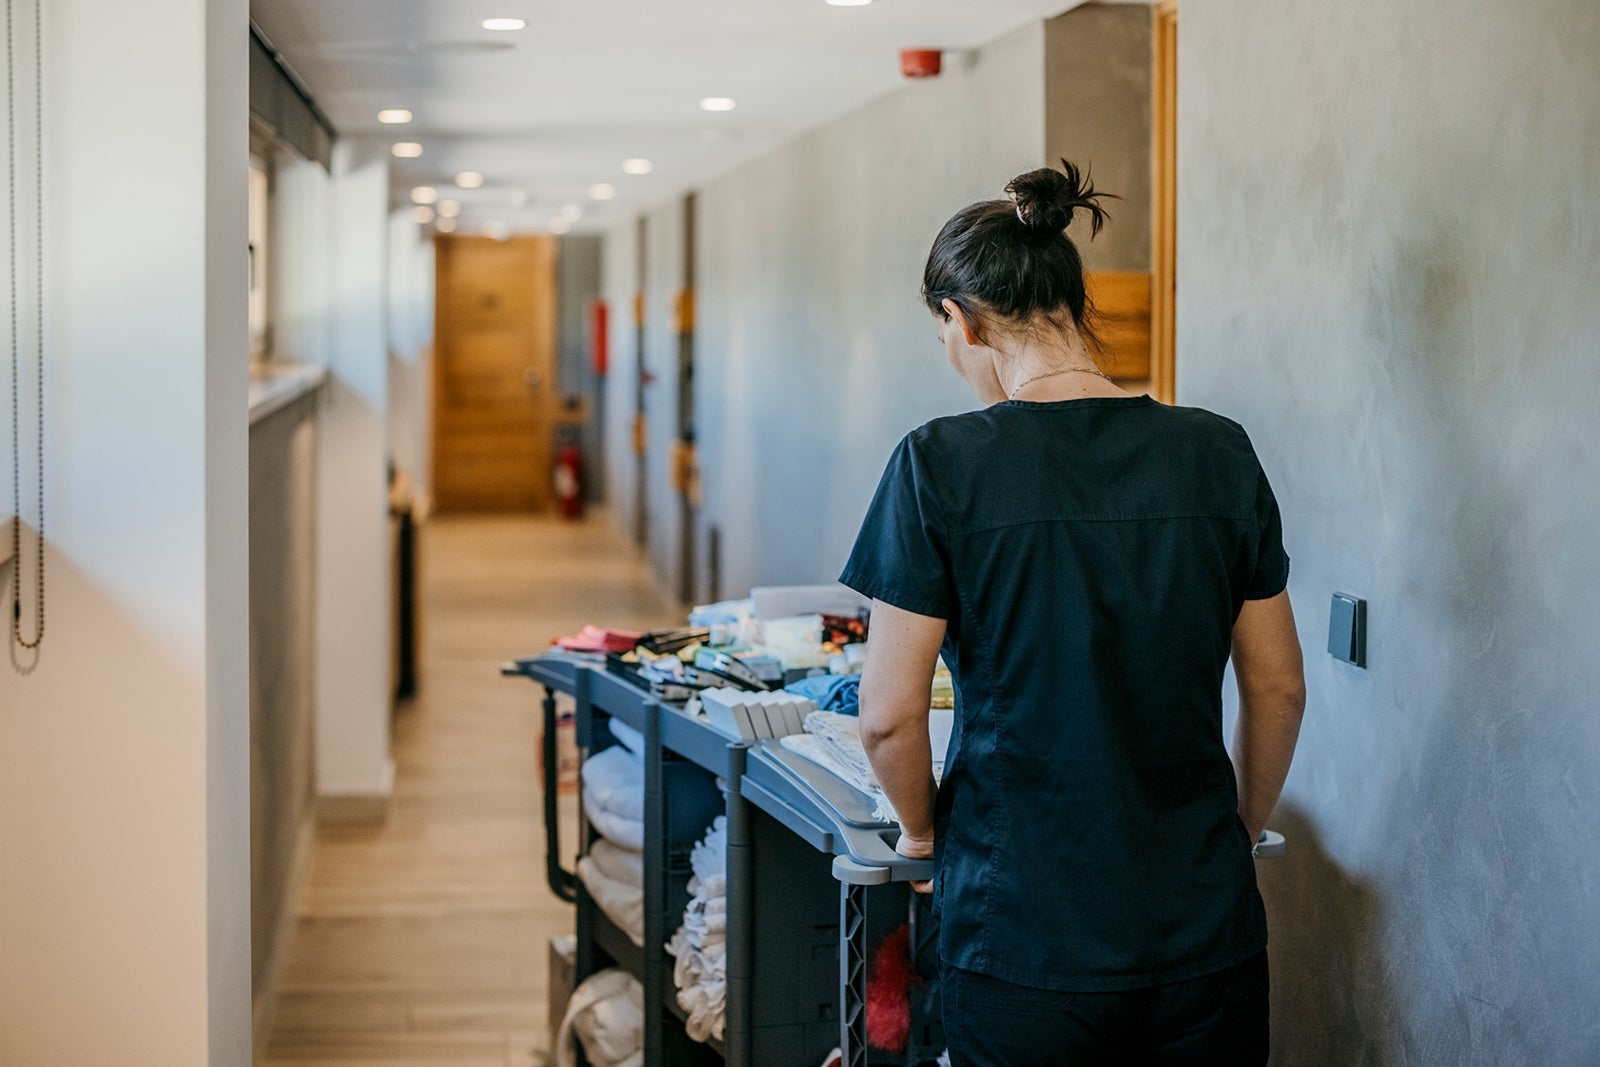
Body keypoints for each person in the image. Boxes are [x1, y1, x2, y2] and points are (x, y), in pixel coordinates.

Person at [838, 161, 1307, 1065]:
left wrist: (925, 834)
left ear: (965, 321)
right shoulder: (1218, 452)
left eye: (943, 336)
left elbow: (888, 716)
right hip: (1203, 934)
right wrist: (1237, 833)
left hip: (1021, 936)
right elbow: (1279, 687)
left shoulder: (938, 464)